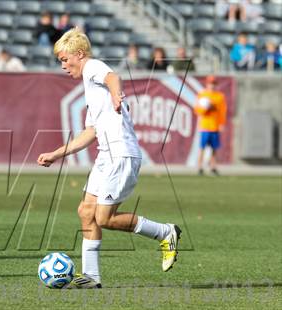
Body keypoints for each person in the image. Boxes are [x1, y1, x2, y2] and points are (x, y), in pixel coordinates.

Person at [37, 28, 181, 288]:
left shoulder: (92, 67)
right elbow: (89, 133)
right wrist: (56, 154)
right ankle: (91, 276)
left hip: (121, 153)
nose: (63, 65)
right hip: (106, 155)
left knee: (104, 218)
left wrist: (116, 93)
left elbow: (112, 77)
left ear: (79, 55)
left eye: (64, 59)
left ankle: (165, 232)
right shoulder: (90, 90)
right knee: (86, 211)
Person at [194, 75, 227, 176]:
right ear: (207, 84)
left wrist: (222, 123)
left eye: (213, 83)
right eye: (210, 83)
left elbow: (222, 111)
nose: (211, 85)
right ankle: (200, 167)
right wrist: (206, 108)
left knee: (214, 148)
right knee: (202, 147)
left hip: (215, 126)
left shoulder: (219, 96)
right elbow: (197, 110)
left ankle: (213, 167)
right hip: (205, 125)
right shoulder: (202, 95)